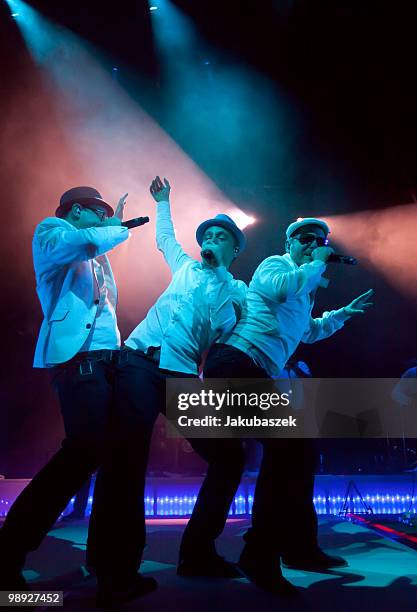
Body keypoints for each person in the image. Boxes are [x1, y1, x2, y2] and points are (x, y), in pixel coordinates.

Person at [88, 177, 248, 605]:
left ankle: (197, 552)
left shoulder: (238, 292)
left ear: (234, 249)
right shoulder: (184, 265)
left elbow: (231, 333)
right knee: (126, 457)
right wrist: (163, 202)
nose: (210, 241)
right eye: (208, 235)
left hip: (180, 376)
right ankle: (112, 568)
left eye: (220, 237)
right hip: (141, 361)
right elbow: (164, 239)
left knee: (230, 456)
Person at [202, 217, 373, 595]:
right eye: (307, 239)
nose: (314, 245)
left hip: (254, 370)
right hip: (235, 364)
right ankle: (260, 554)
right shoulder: (275, 266)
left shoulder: (307, 287)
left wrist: (341, 314)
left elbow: (308, 331)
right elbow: (281, 291)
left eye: (320, 240)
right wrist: (317, 264)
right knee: (291, 449)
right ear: (291, 243)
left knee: (300, 452)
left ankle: (299, 547)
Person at [0, 186, 144, 598]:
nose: (104, 222)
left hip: (108, 359)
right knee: (83, 451)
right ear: (78, 211)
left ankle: (109, 567)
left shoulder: (94, 254)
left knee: (114, 460)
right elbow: (82, 242)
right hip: (76, 359)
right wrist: (116, 227)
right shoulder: (52, 232)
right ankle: (9, 550)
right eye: (98, 214)